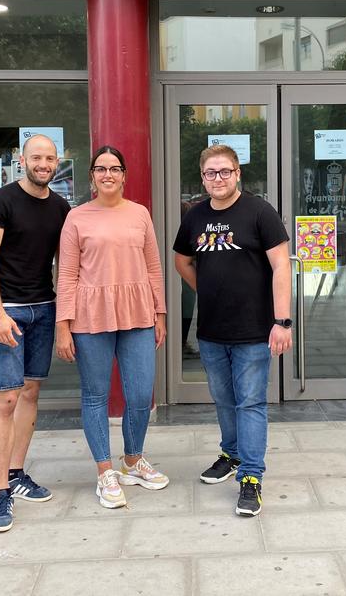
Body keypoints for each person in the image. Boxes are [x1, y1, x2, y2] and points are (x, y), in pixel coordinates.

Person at [173, 144, 292, 517]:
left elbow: (281, 267)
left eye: (225, 171)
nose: (218, 179)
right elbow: (181, 260)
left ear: (237, 173)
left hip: (255, 330)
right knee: (224, 399)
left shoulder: (259, 212)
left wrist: (282, 321)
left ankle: (252, 477)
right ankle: (232, 453)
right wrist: (207, 292)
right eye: (211, 173)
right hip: (211, 331)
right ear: (203, 177)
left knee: (250, 402)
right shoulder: (195, 217)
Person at [55, 145, 168, 509]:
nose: (108, 174)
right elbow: (67, 274)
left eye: (115, 168)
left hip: (137, 313)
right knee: (96, 396)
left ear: (124, 175)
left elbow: (153, 266)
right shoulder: (76, 218)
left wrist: (160, 312)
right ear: (91, 176)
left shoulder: (140, 214)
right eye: (101, 169)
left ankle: (132, 460)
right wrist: (63, 325)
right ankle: (105, 470)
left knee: (139, 394)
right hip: (91, 316)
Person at [0, 134, 69, 533]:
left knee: (30, 392)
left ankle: (16, 474)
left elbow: (66, 265)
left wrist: (65, 314)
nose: (43, 163)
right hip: (7, 311)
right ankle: (0, 494)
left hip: (44, 309)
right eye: (36, 157)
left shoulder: (62, 207)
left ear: (56, 161)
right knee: (6, 398)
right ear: (21, 159)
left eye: (49, 158)